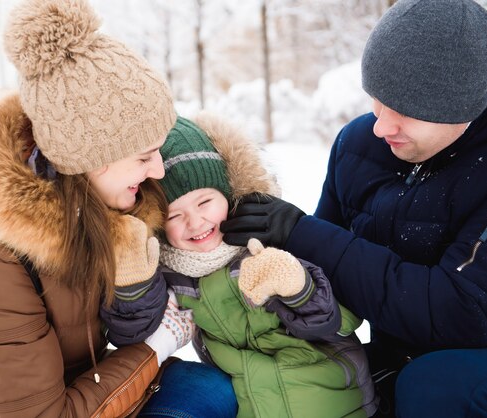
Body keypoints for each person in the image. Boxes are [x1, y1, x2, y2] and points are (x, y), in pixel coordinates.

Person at [0, 0, 236, 416]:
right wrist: (159, 343)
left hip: (84, 387)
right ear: (92, 157)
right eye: (145, 155)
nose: (158, 170)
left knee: (215, 389)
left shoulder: (113, 211)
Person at [220, 0, 487, 417]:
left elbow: (460, 313)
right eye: (376, 99)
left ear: (465, 108)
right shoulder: (359, 144)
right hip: (402, 354)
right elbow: (322, 275)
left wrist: (305, 233)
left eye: (405, 112)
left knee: (436, 386)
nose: (379, 126)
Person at [105, 115, 378, 417]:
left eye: (204, 202)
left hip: (336, 402)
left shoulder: (267, 238)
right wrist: (133, 283)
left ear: (228, 192)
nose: (195, 222)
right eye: (173, 215)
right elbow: (132, 333)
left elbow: (339, 322)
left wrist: (299, 287)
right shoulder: (170, 273)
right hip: (255, 405)